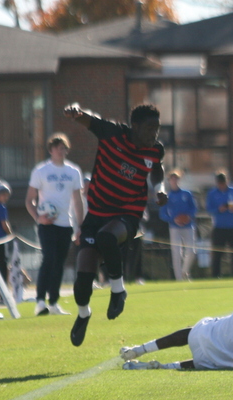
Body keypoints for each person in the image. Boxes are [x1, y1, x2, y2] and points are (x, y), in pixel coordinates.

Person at [63, 102, 167, 347]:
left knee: (107, 238)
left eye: (158, 128)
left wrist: (159, 188)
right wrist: (77, 112)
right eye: (150, 128)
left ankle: (118, 290)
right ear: (135, 126)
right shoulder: (112, 133)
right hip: (97, 214)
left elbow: (157, 169)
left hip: (127, 215)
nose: (155, 134)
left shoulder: (155, 150)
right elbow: (91, 118)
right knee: (81, 285)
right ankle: (83, 314)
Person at [26, 133, 85, 316]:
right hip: (47, 224)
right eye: (58, 148)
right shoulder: (41, 171)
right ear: (51, 150)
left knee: (59, 263)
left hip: (65, 224)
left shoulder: (73, 171)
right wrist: (39, 218)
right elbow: (29, 200)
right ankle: (40, 302)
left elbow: (77, 201)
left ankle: (53, 303)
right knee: (49, 259)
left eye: (64, 148)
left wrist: (80, 226)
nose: (62, 151)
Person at [160, 169, 197, 281]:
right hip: (174, 227)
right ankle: (179, 279)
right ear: (169, 181)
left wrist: (188, 217)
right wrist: (173, 219)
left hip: (188, 226)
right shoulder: (167, 196)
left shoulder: (187, 194)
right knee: (176, 253)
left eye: (176, 179)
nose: (174, 181)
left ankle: (184, 271)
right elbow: (162, 213)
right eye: (172, 179)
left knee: (191, 251)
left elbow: (194, 208)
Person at [206, 171, 233, 278]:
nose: (222, 185)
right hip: (219, 227)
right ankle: (216, 275)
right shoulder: (212, 193)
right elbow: (209, 208)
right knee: (217, 253)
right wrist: (219, 209)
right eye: (220, 183)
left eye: (223, 183)